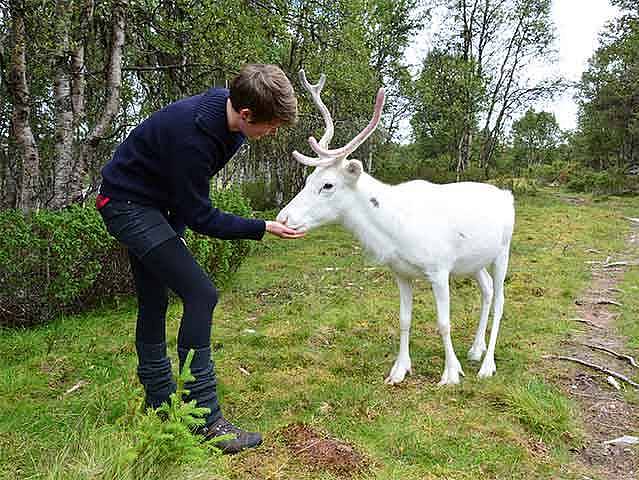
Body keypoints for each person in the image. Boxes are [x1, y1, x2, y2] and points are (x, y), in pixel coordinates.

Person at [96, 64, 304, 454]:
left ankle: (159, 407)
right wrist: (262, 226)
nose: (271, 133)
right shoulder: (194, 137)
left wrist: (175, 224)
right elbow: (202, 216)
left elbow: (179, 192)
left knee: (155, 301)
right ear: (246, 114)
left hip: (154, 206)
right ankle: (204, 419)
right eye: (271, 126)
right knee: (201, 294)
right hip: (126, 205)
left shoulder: (227, 124)